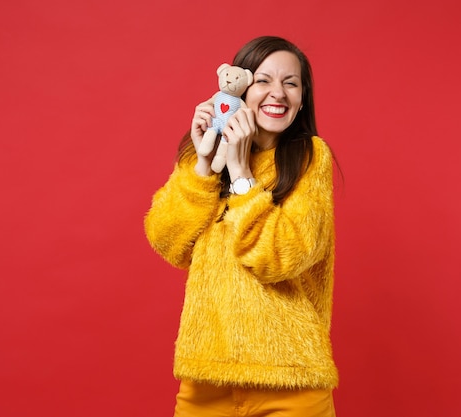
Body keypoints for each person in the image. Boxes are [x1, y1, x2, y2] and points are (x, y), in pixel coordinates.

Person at [145, 36, 339, 416]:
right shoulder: (204, 156)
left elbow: (282, 257)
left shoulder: (310, 158)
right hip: (206, 377)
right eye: (263, 80)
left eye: (291, 83)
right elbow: (167, 241)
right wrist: (203, 165)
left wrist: (241, 174)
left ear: (302, 100)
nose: (277, 93)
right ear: (237, 87)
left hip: (290, 379)